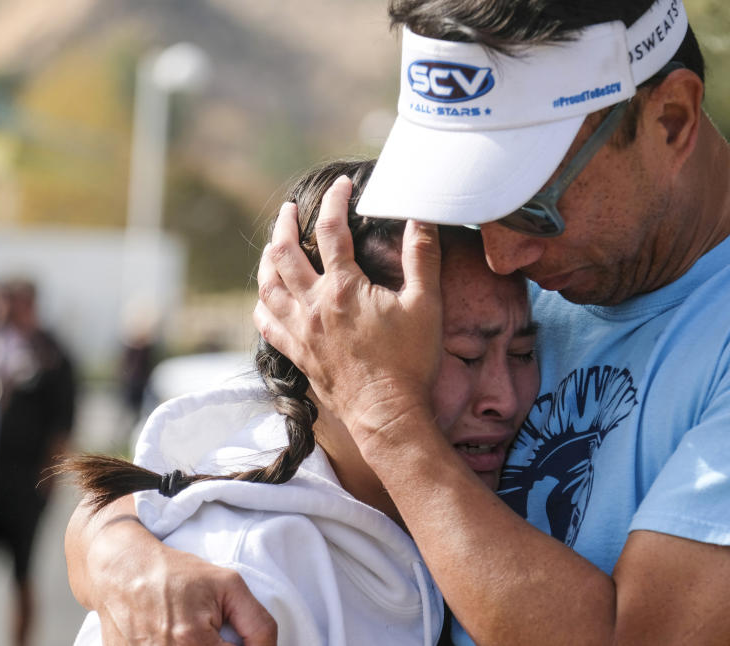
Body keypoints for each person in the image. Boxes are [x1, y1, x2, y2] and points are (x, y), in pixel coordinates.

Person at [66, 1, 730, 644]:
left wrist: (392, 417)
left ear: (670, 118)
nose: (504, 255)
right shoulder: (541, 268)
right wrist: (128, 554)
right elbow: (244, 462)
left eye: (532, 205)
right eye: (470, 204)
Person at [60, 159, 540, 645]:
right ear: (317, 344)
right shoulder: (237, 587)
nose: (504, 398)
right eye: (465, 355)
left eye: (524, 353)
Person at [0, 279, 77, 646]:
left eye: (9, 305)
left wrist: (46, 482)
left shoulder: (53, 356)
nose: (0, 313)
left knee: (22, 575)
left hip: (25, 487)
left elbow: (63, 425)